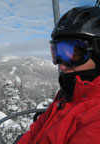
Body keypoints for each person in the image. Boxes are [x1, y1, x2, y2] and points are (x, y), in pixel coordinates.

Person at [16, 6, 100, 144]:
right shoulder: (67, 94)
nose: (61, 65)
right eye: (57, 52)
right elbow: (34, 133)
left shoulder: (96, 120)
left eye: (75, 54)